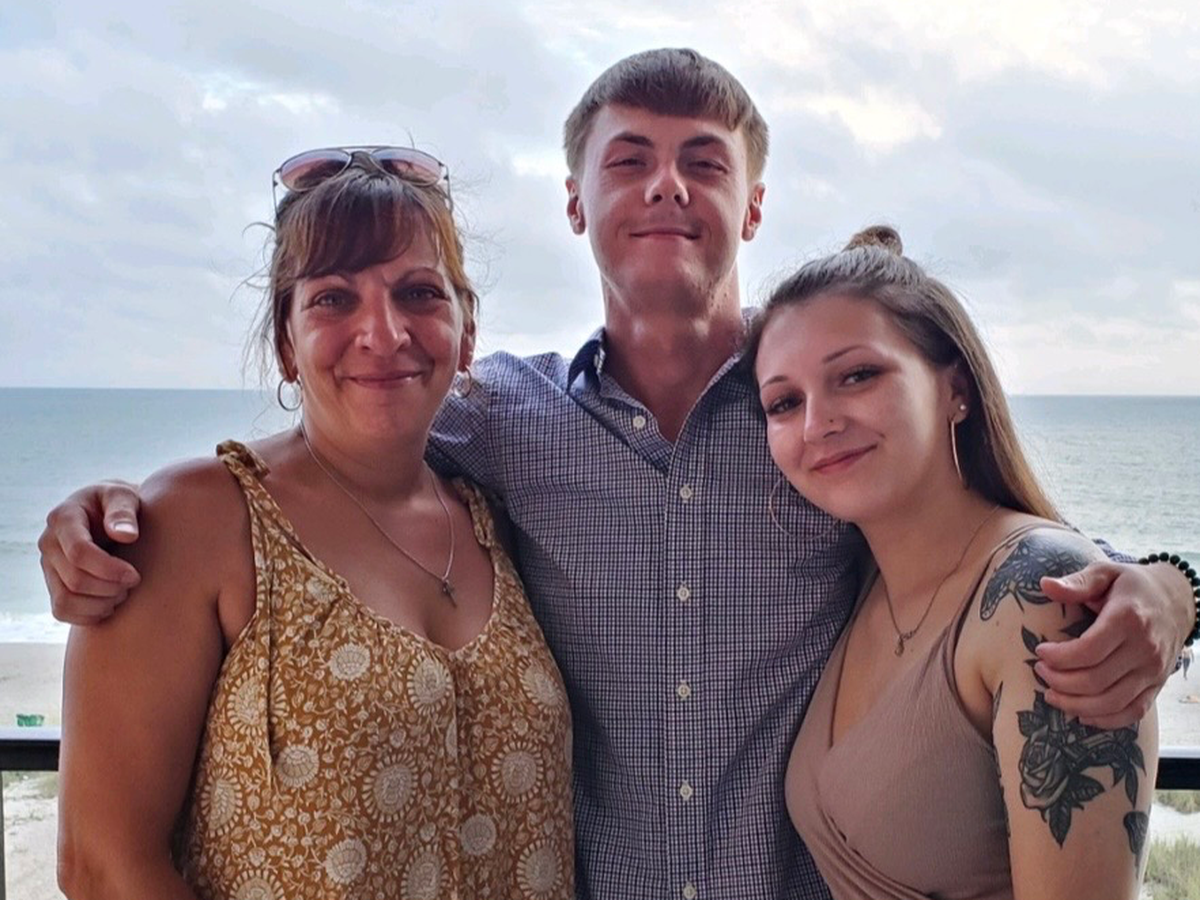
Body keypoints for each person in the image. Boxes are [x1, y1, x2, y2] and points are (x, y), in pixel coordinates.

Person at [41, 50, 1196, 899]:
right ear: (575, 203)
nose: (666, 186)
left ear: (752, 205)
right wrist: (114, 511)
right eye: (629, 159)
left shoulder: (816, 427)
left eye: (704, 162)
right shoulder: (500, 422)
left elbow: (989, 544)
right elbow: (342, 442)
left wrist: (1166, 586)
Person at [55, 150, 574, 900]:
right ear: (285, 343)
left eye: (418, 293)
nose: (383, 332)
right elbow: (103, 866)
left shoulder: (496, 516)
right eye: (334, 299)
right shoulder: (196, 523)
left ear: (466, 335)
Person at [749, 225, 1158, 899]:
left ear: (956, 389)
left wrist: (1174, 588)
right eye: (784, 402)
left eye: (857, 375)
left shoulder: (1039, 599)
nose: (817, 423)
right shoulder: (862, 584)